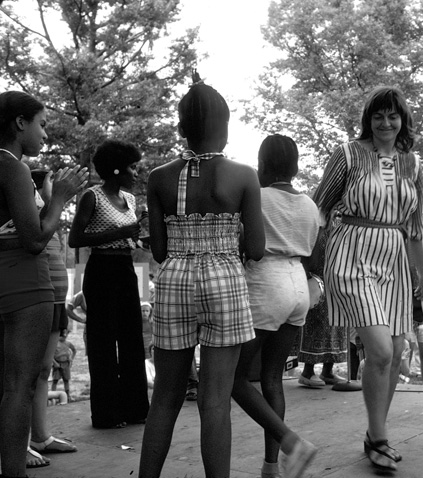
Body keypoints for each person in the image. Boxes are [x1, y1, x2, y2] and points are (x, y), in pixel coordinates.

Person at [138, 72, 265, 478]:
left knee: (165, 398)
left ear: (181, 128)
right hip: (224, 279)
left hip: (174, 278)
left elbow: (158, 250)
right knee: (215, 400)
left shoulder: (158, 177)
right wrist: (234, 234)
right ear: (224, 127)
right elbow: (258, 249)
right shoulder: (244, 175)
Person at [314, 86, 423, 472]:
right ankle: (379, 439)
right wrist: (304, 260)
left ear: (403, 120)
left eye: (393, 116)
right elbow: (319, 207)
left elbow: (414, 227)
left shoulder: (412, 164)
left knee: (396, 355)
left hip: (394, 257)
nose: (385, 122)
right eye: (378, 115)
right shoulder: (347, 153)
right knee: (380, 351)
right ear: (368, 119)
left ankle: (374, 434)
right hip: (351, 250)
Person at [0, 90, 87, 478]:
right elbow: (36, 240)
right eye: (42, 123)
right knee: (18, 386)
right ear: (20, 124)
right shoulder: (11, 166)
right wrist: (61, 199)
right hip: (21, 282)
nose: (45, 133)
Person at [230, 134, 319, 478]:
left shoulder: (258, 197)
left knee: (234, 379)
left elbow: (247, 244)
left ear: (262, 164)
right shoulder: (310, 205)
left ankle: (290, 441)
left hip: (266, 283)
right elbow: (312, 252)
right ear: (295, 167)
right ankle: (271, 468)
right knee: (272, 378)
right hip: (298, 285)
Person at [68, 139, 150, 429]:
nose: (136, 172)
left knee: (132, 338)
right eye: (132, 167)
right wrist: (119, 231)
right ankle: (107, 414)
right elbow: (75, 239)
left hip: (125, 267)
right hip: (101, 270)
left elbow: (128, 236)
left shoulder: (130, 200)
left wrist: (140, 238)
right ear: (115, 170)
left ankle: (136, 408)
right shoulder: (92, 196)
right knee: (103, 341)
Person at [28, 169, 78, 467]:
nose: (56, 186)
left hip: (57, 300)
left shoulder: (51, 216)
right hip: (36, 296)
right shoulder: (30, 213)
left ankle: (41, 436)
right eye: (50, 182)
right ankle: (17, 443)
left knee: (44, 369)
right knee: (26, 374)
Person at [297, 221, 347, 389]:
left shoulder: (340, 228)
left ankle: (328, 370)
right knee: (317, 325)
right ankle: (307, 372)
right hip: (318, 281)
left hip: (337, 283)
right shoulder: (316, 228)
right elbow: (309, 257)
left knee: (336, 326)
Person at [51, 334, 76, 399]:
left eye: (65, 336)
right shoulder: (54, 344)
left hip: (66, 364)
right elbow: (50, 355)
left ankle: (67, 395)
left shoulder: (68, 343)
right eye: (62, 336)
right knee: (55, 380)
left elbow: (74, 350)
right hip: (57, 364)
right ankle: (52, 395)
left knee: (66, 380)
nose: (64, 337)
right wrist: (55, 363)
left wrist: (71, 358)